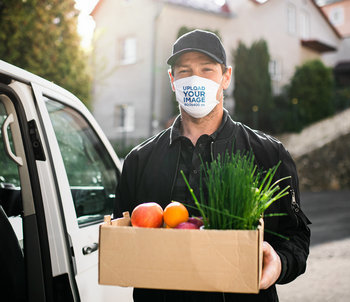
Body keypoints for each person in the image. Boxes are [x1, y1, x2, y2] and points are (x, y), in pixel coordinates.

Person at [114, 29, 311, 302]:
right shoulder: (139, 160)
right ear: (172, 80)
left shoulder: (269, 154)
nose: (195, 79)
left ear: (226, 77)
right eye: (184, 71)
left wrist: (280, 262)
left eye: (207, 69)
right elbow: (123, 235)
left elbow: (297, 236)